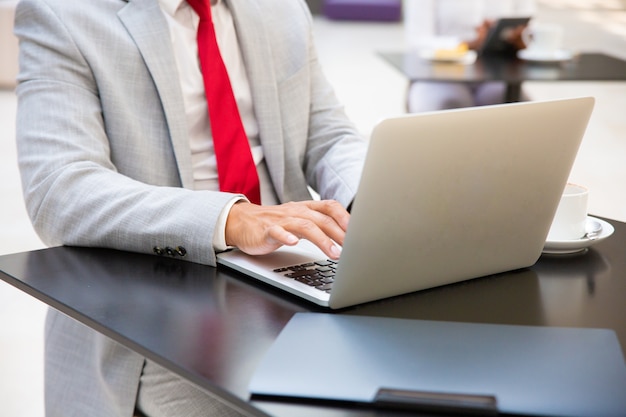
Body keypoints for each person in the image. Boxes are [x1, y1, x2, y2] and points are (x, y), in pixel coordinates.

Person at [14, 0, 368, 415]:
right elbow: (59, 189)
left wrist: (372, 199)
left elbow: (327, 134)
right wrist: (230, 218)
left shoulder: (281, 9)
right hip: (159, 301)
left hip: (289, 274)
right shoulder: (63, 14)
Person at [404, 0, 536, 113]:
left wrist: (520, 39)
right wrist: (468, 44)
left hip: (496, 74)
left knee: (521, 110)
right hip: (438, 75)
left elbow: (530, 28)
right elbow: (417, 40)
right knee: (450, 105)